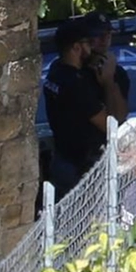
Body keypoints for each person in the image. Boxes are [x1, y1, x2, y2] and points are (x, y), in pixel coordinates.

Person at [42, 17, 118, 199]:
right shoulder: (76, 84)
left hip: (63, 156)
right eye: (87, 43)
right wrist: (108, 82)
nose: (91, 47)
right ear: (76, 47)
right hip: (81, 164)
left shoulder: (56, 70)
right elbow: (109, 124)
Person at [82, 11, 130, 122]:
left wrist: (109, 81)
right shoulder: (76, 72)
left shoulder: (118, 73)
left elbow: (120, 117)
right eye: (98, 34)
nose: (104, 39)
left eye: (108, 34)